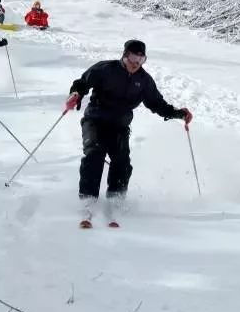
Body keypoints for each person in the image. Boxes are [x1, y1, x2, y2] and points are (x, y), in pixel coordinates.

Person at [67, 39, 193, 215]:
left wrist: (178, 113)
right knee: (94, 154)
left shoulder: (144, 81)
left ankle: (116, 198)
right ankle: (88, 199)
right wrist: (76, 95)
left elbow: (157, 104)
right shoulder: (105, 69)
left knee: (122, 161)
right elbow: (82, 83)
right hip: (95, 120)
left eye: (141, 60)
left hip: (119, 126)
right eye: (133, 58)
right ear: (125, 55)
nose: (136, 63)